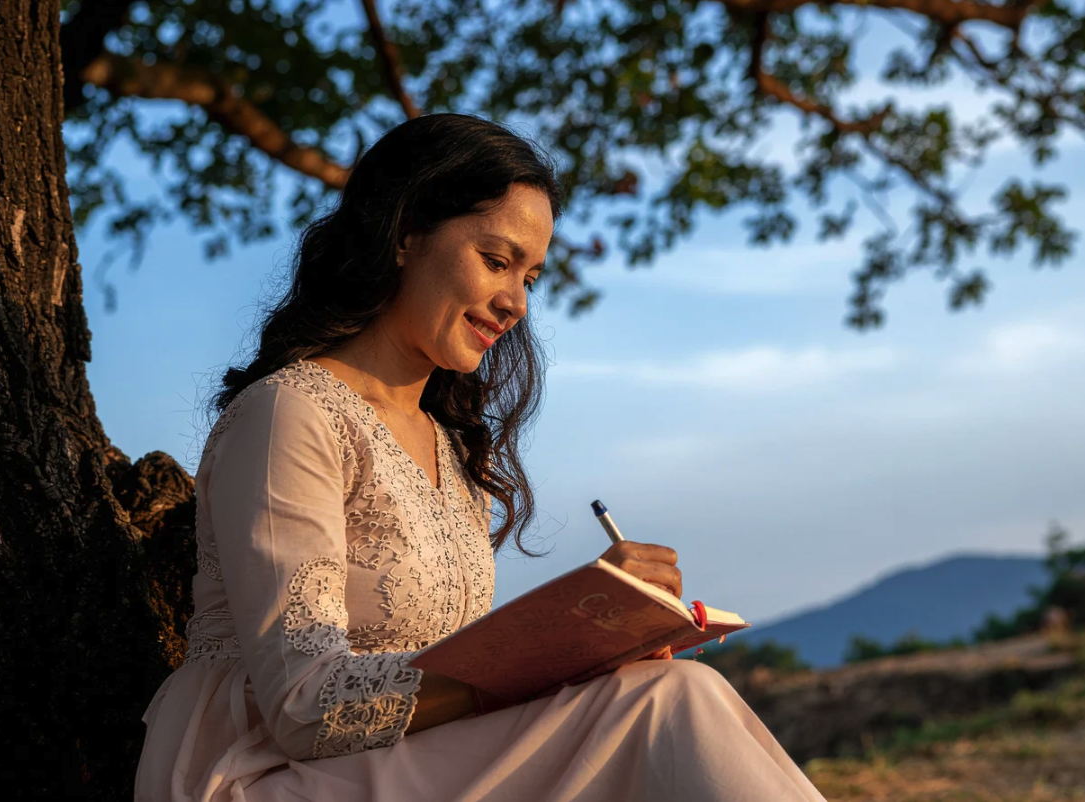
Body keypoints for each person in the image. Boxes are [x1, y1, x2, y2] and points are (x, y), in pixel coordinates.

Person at [135, 113, 829, 802]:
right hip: (268, 776)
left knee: (657, 688)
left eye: (531, 276)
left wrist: (593, 643)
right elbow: (305, 706)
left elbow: (458, 684)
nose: (516, 303)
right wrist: (549, 649)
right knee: (668, 703)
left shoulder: (448, 446)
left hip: (408, 764)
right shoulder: (293, 412)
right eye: (496, 261)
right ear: (405, 235)